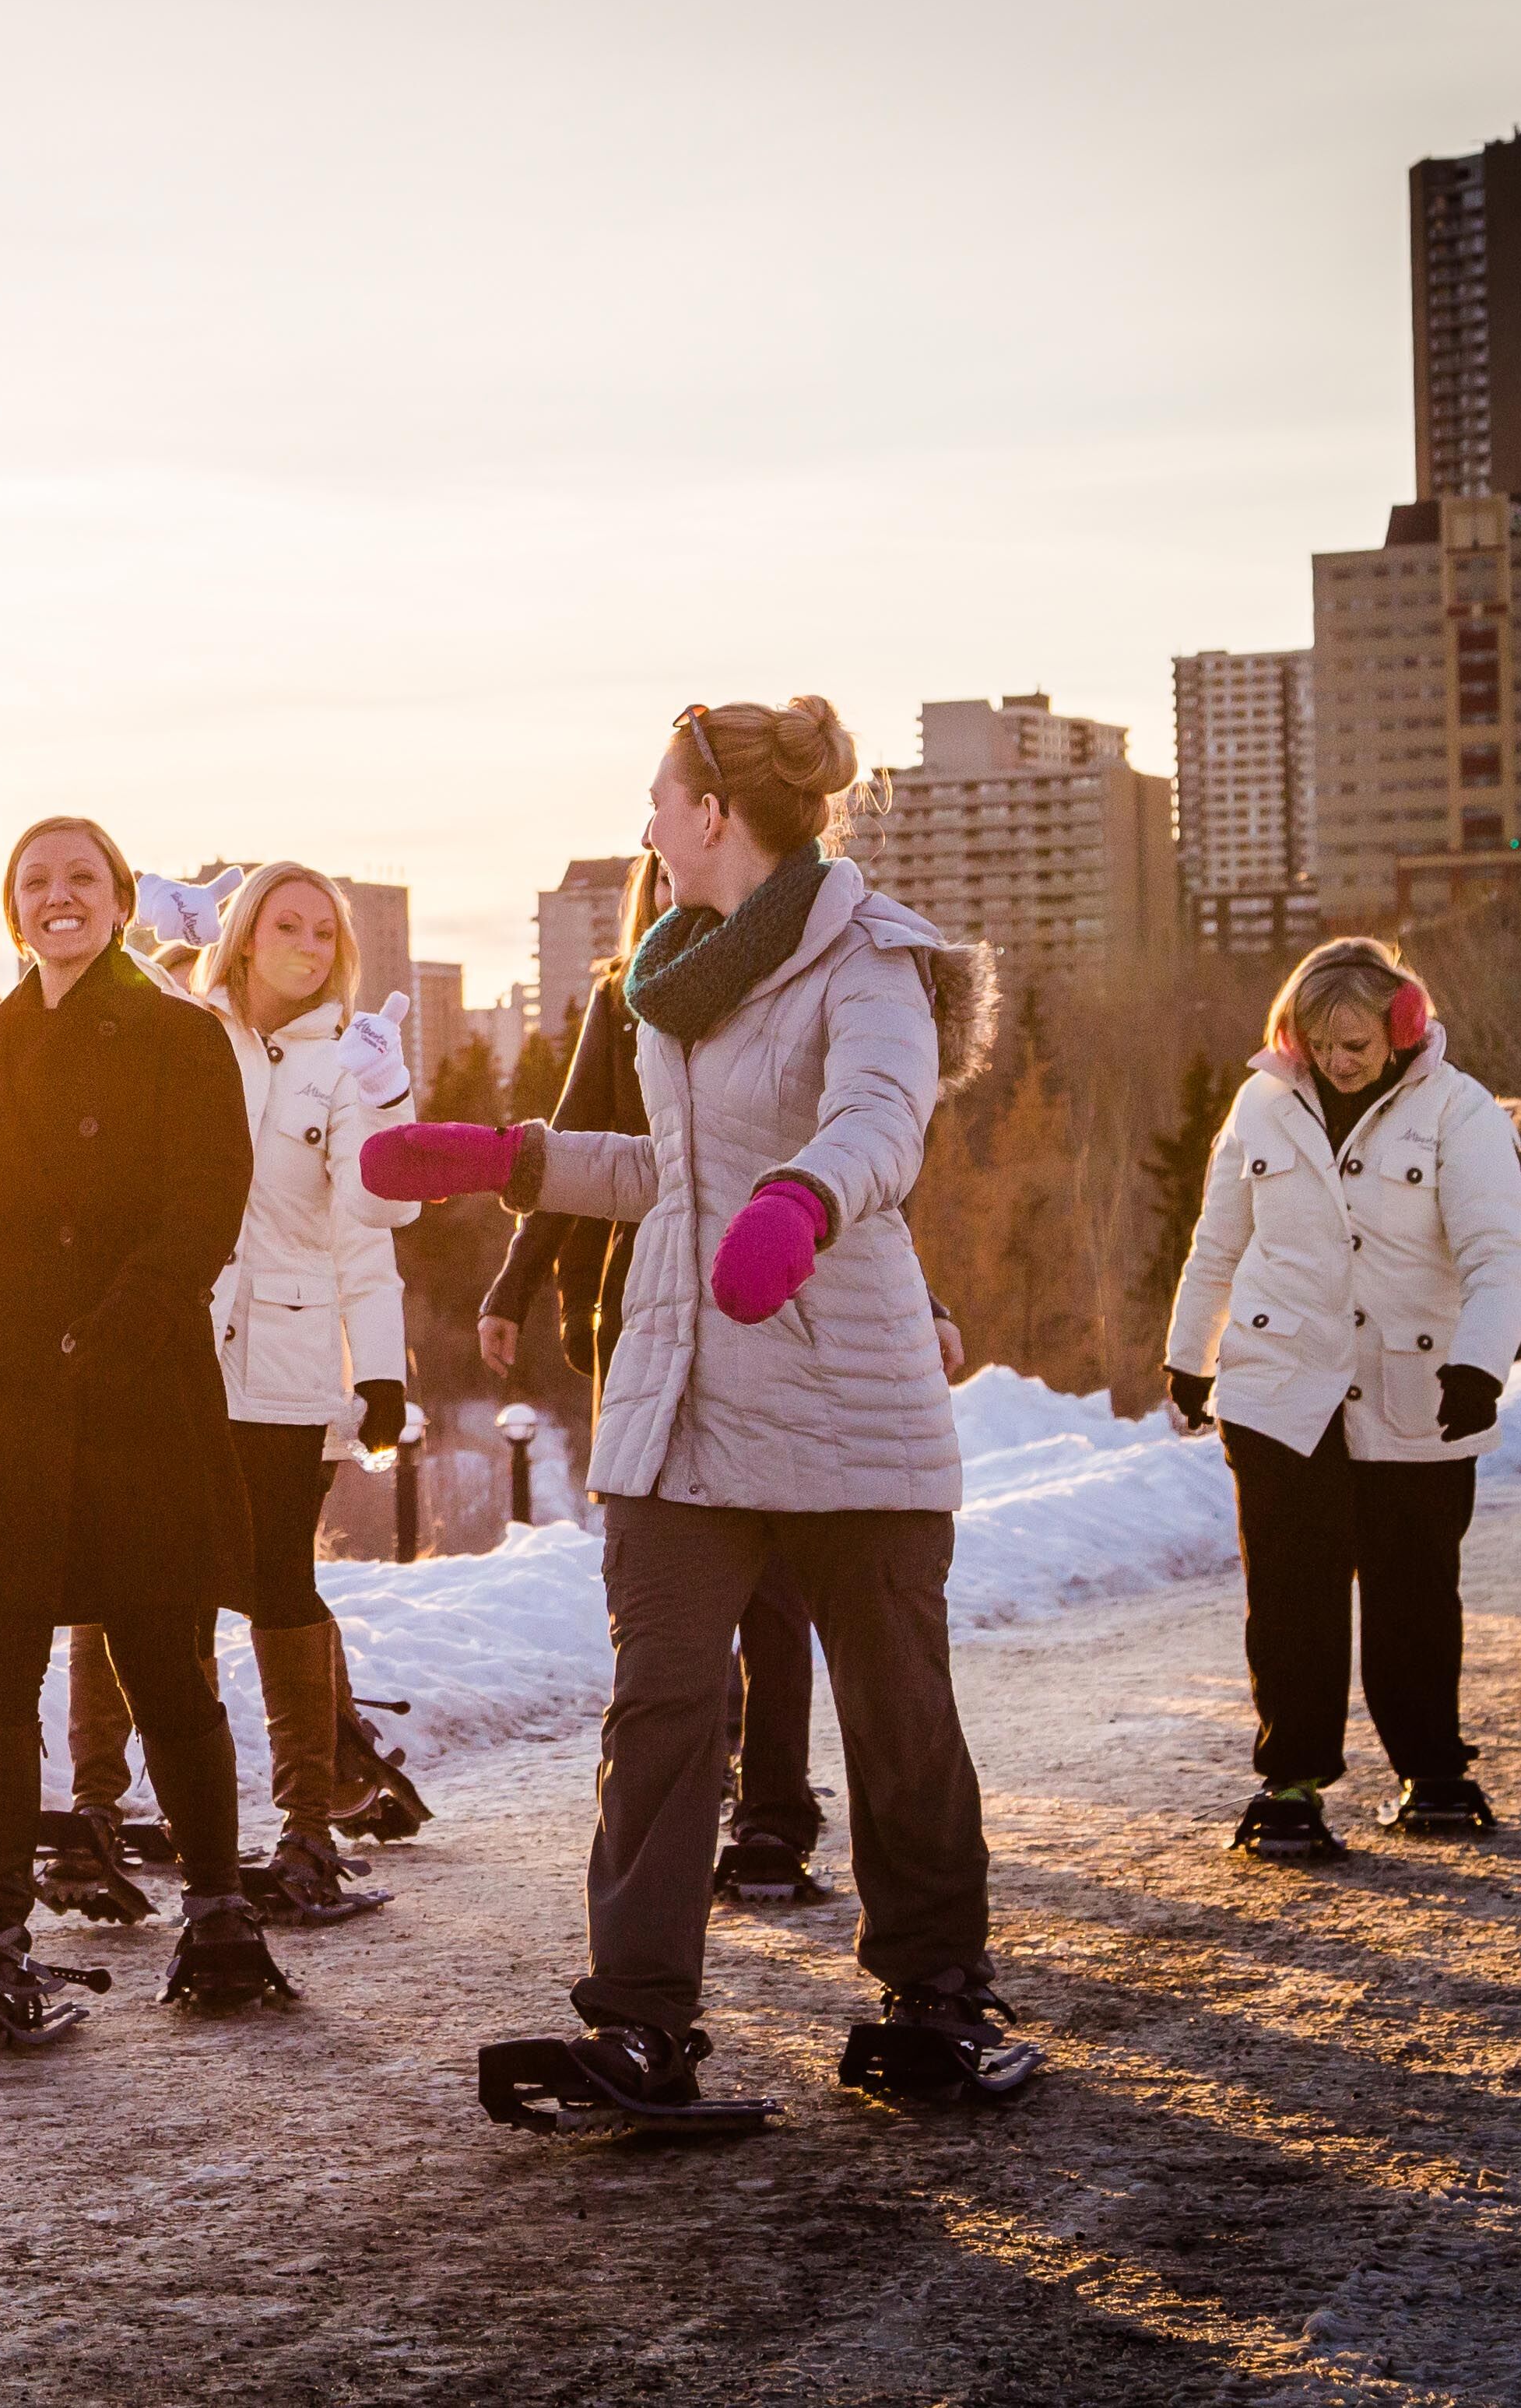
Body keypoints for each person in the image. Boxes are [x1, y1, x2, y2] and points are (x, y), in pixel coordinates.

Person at [369, 697, 1034, 2119]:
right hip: (678, 1389)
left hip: (840, 1385)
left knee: (895, 1703)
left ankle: (937, 1993)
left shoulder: (868, 956)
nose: (649, 829)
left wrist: (802, 1197)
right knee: (662, 1705)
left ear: (715, 814)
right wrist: (513, 1157)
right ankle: (641, 2024)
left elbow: (878, 1117)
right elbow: (676, 1168)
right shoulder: (667, 973)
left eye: (660, 802)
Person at [0, 814, 292, 2047]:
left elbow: (203, 1209)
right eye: (34, 882)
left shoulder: (180, 1037)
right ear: (10, 911)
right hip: (3, 1391)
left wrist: (115, 1331)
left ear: (122, 900)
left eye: (81, 879)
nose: (57, 897)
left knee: (158, 1650)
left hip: (132, 1387)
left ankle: (221, 1914)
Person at [476, 852, 873, 1907]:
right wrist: (509, 1290)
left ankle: (774, 1813)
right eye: (652, 887)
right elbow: (575, 1151)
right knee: (665, 1603)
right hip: (643, 1321)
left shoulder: (784, 994)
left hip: (767, 1303)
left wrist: (914, 1307)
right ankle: (689, 1803)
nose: (669, 898)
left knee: (773, 1586)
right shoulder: (624, 1001)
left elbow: (858, 1146)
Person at [42, 862, 418, 1925]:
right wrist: (133, 925)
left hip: (287, 1365)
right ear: (244, 935)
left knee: (273, 1579)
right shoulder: (179, 1024)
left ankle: (305, 1829)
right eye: (282, 924)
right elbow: (72, 1002)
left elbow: (372, 1216)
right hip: (168, 1344)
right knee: (130, 1578)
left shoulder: (347, 1061)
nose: (304, 944)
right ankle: (98, 1814)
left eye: (321, 930)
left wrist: (379, 1364)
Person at [1161, 935, 1521, 1861]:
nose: (1337, 1061)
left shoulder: (1461, 1112)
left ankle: (1433, 1773)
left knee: (1412, 1588)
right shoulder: (1260, 1106)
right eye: (1319, 1043)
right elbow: (1216, 1244)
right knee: (1289, 1596)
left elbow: (1499, 1255)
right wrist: (1189, 1354)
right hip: (1279, 1388)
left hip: (1418, 1389)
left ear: (1402, 1029)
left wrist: (1479, 1366)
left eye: (1357, 1043)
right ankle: (1289, 1785)